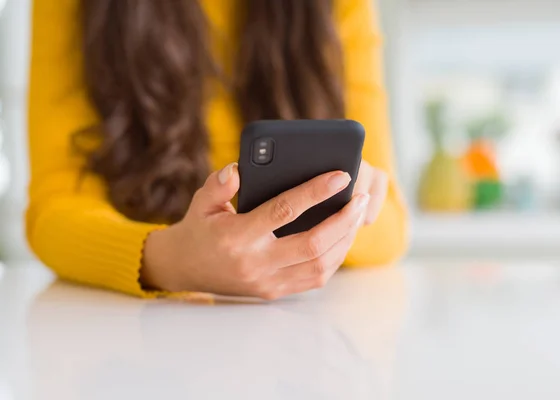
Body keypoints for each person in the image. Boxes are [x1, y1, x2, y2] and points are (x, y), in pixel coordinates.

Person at [27, 0, 408, 299]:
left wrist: (347, 210)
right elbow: (54, 208)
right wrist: (168, 260)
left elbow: (389, 218)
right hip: (143, 331)